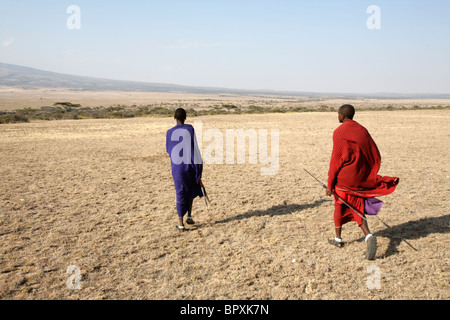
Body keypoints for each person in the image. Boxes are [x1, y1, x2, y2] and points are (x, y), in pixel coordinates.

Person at [326, 105, 399, 260]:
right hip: (358, 178)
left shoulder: (339, 133)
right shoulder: (362, 130)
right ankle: (367, 235)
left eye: (338, 114)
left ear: (341, 115)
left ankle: (339, 239)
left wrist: (330, 184)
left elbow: (336, 161)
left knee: (340, 205)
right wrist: (367, 172)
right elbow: (373, 153)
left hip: (343, 180)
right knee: (356, 206)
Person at [166, 108, 204, 232]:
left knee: (180, 192)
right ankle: (189, 216)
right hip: (189, 165)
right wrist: (198, 167)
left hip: (177, 167)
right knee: (190, 189)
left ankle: (181, 223)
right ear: (185, 117)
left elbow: (168, 149)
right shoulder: (190, 129)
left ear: (174, 118)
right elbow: (194, 147)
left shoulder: (169, 132)